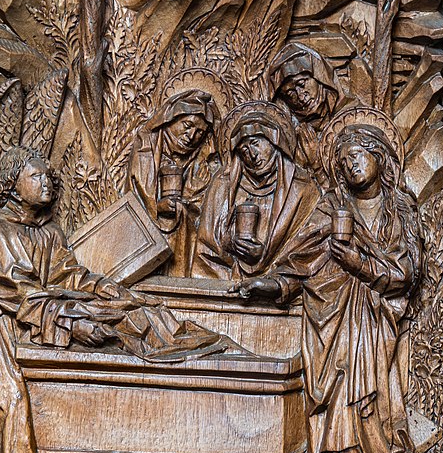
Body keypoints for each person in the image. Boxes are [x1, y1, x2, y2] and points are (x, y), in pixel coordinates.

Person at [0, 146, 231, 453]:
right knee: (12, 401)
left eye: (47, 176)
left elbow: (66, 274)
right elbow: (20, 293)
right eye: (35, 177)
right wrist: (72, 323)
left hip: (43, 310)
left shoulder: (47, 230)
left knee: (132, 308)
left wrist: (102, 288)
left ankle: (172, 341)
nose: (46, 183)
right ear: (12, 185)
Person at [230, 111, 443, 453]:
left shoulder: (400, 209)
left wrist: (359, 265)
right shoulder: (332, 207)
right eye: (344, 161)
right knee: (338, 386)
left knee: (364, 388)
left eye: (359, 155)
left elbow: (407, 272)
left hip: (377, 321)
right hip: (330, 318)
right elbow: (303, 259)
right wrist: (273, 283)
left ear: (380, 156)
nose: (352, 165)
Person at [192, 101, 319, 280]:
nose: (252, 154)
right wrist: (229, 243)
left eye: (255, 143)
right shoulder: (224, 183)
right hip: (222, 283)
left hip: (284, 286)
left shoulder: (302, 188)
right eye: (244, 150)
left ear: (274, 139)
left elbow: (309, 247)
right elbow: (206, 242)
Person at [125, 89, 219, 276]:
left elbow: (205, 211)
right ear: (171, 118)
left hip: (185, 249)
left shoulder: (201, 160)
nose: (191, 136)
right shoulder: (146, 149)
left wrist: (190, 196)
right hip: (140, 247)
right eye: (187, 125)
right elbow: (133, 198)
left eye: (199, 132)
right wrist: (157, 207)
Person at [270, 42, 357, 186]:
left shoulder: (352, 116)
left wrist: (316, 162)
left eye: (302, 84)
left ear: (319, 77)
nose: (301, 96)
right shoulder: (294, 139)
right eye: (290, 93)